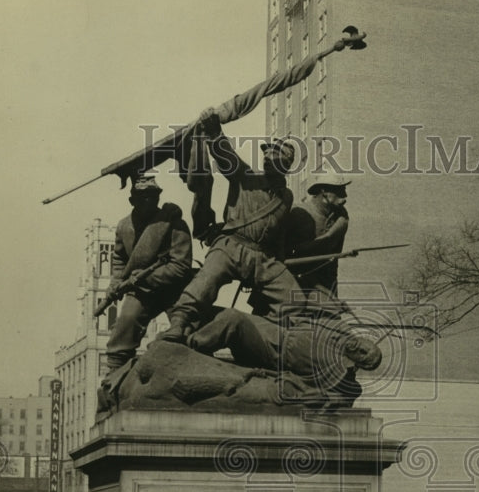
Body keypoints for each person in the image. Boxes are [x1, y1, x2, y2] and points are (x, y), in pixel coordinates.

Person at [160, 108, 304, 343]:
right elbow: (226, 156)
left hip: (263, 259)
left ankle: (282, 341)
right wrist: (215, 131)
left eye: (276, 156)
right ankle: (179, 323)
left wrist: (280, 261)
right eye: (267, 155)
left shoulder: (286, 197)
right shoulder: (246, 176)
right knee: (205, 282)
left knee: (296, 301)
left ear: (287, 164)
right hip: (231, 246)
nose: (268, 158)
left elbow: (279, 235)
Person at [187, 306, 381, 407]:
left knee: (232, 319)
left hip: (271, 350)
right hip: (277, 328)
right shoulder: (342, 331)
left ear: (358, 361)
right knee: (214, 312)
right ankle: (185, 331)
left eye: (364, 353)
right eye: (367, 344)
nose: (362, 346)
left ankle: (189, 349)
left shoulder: (333, 371)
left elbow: (344, 391)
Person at [102, 172, 194, 372]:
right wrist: (115, 284)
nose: (150, 201)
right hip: (141, 291)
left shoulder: (173, 223)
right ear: (132, 200)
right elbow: (119, 260)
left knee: (191, 333)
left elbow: (181, 266)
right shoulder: (124, 226)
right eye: (144, 197)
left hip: (174, 290)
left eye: (154, 196)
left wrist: (146, 278)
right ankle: (115, 381)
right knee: (122, 331)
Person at [278, 171, 353, 321]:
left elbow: (333, 262)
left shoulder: (340, 219)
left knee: (330, 327)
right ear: (323, 191)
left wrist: (332, 293)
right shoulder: (298, 212)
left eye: (344, 190)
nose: (344, 195)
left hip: (322, 286)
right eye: (338, 190)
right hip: (291, 282)